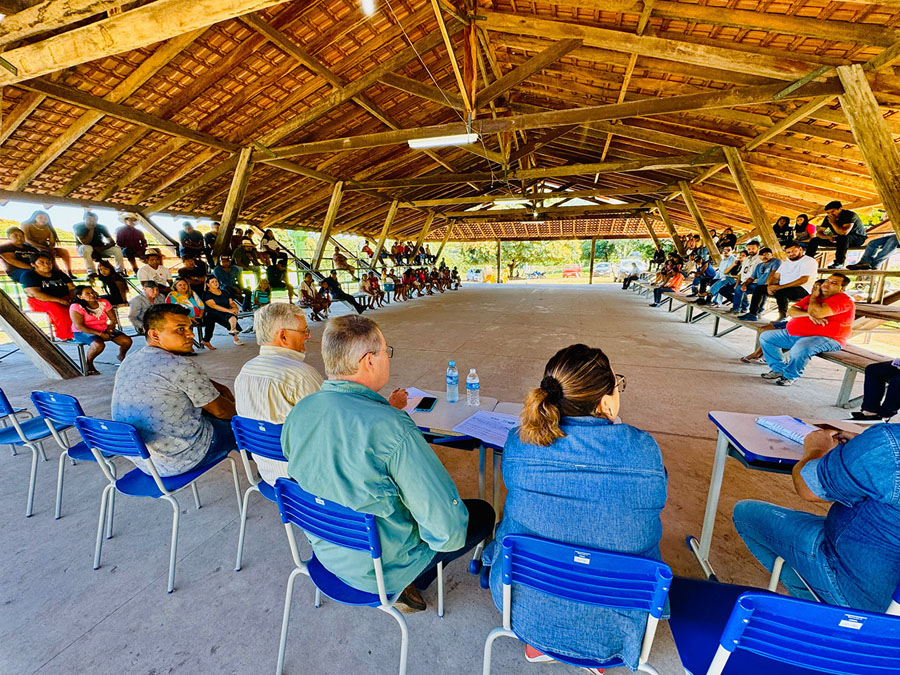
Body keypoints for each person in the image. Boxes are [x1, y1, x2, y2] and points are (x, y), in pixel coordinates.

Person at [281, 315, 495, 612]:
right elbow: (446, 531)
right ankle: (412, 580)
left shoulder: (301, 412)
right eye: (386, 352)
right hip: (380, 569)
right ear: (369, 361)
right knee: (481, 514)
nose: (387, 358)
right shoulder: (394, 428)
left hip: (326, 551)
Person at [485, 344, 665, 668]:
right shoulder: (644, 450)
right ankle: (591, 645)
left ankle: (543, 643)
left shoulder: (519, 441)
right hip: (618, 627)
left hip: (524, 610)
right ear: (605, 401)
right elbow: (654, 499)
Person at [733, 424, 900, 613]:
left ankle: (820, 616)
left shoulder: (889, 443)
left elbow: (808, 487)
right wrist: (863, 448)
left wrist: (816, 448)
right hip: (895, 609)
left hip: (858, 588)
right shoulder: (886, 445)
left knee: (745, 514)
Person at [112, 304, 237, 477]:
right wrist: (241, 412)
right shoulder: (181, 366)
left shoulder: (132, 358)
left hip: (144, 459)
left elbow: (189, 383)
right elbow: (222, 411)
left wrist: (219, 389)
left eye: (190, 328)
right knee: (243, 427)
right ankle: (272, 468)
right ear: (154, 334)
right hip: (178, 460)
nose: (191, 334)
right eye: (180, 329)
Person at [234, 303, 325, 484]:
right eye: (304, 330)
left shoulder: (245, 371)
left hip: (269, 475)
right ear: (283, 335)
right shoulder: (300, 375)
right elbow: (328, 432)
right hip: (305, 482)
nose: (308, 335)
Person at [759, 273, 854, 386]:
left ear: (842, 288)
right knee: (766, 337)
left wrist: (813, 298)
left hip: (826, 338)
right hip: (794, 334)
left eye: (834, 283)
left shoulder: (843, 299)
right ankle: (778, 369)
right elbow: (791, 312)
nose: (827, 284)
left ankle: (790, 375)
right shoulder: (813, 296)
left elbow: (817, 312)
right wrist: (808, 315)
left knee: (801, 348)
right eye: (827, 281)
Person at [740, 241, 816, 321]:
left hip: (802, 288)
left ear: (800, 249)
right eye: (788, 252)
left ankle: (782, 318)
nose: (791, 254)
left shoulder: (808, 261)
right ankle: (753, 314)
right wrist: (770, 286)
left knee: (781, 292)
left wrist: (779, 287)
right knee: (759, 288)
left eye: (794, 251)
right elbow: (776, 276)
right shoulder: (787, 262)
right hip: (783, 287)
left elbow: (803, 280)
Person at [69, 285, 132, 374]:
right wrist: (100, 334)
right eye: (87, 293)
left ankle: (121, 355)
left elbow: (113, 319)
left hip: (103, 328)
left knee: (127, 341)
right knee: (98, 345)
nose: (92, 295)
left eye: (92, 292)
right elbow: (79, 326)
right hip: (83, 331)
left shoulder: (104, 302)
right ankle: (89, 363)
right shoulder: (76, 307)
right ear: (80, 296)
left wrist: (109, 330)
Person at [22, 253, 75, 340]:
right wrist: (59, 300)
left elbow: (72, 287)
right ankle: (68, 335)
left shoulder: (59, 274)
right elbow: (35, 294)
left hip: (64, 298)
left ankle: (90, 329)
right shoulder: (29, 276)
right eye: (41, 262)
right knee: (58, 309)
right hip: (41, 301)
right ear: (33, 264)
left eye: (48, 262)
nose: (46, 265)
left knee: (80, 306)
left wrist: (73, 299)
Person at [806, 200, 867, 269]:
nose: (830, 214)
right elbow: (819, 233)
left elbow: (844, 232)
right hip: (839, 239)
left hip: (857, 238)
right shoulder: (828, 218)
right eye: (828, 213)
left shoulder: (849, 215)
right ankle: (807, 261)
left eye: (832, 212)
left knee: (843, 238)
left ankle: (839, 263)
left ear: (840, 209)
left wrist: (833, 223)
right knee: (814, 240)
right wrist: (827, 237)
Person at [20, 210, 73, 276]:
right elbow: (26, 239)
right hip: (30, 246)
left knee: (64, 252)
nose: (43, 219)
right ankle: (56, 271)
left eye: (45, 218)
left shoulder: (48, 228)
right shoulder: (26, 224)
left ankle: (69, 272)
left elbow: (52, 241)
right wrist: (39, 247)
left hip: (44, 247)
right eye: (40, 217)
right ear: (34, 218)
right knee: (47, 252)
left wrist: (51, 248)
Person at [734, 247, 781, 321]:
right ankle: (738, 309)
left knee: (760, 289)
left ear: (772, 254)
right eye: (762, 255)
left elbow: (773, 273)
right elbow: (751, 278)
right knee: (739, 288)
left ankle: (757, 312)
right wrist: (745, 284)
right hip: (758, 285)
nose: (764, 257)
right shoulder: (759, 265)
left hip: (771, 285)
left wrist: (767, 285)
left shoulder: (776, 261)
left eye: (767, 254)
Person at [203, 276, 244, 346]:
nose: (215, 283)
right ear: (208, 284)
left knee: (231, 314)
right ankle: (235, 335)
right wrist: (229, 310)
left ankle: (233, 330)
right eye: (212, 282)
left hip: (226, 310)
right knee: (227, 316)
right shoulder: (206, 294)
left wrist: (235, 308)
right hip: (213, 312)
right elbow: (213, 306)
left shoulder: (224, 292)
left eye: (216, 281)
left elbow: (231, 302)